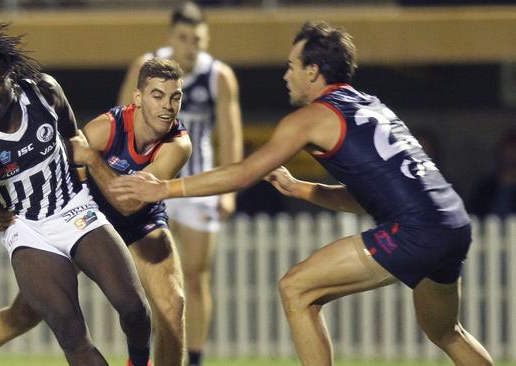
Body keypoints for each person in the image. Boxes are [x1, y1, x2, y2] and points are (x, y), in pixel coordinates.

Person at [111, 21, 494, 366]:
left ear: (313, 71)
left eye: (292, 65)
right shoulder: (374, 107)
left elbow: (243, 173)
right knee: (446, 333)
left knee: (296, 289)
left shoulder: (312, 118)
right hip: (453, 222)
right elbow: (370, 199)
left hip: (417, 231)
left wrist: (163, 188)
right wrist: (303, 189)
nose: (286, 74)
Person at [0, 58, 191, 366]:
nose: (167, 106)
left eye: (175, 97)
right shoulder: (106, 128)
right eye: (158, 96)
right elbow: (61, 157)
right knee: (25, 314)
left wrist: (93, 161)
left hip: (139, 221)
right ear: (138, 99)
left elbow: (130, 203)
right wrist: (1, 201)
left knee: (167, 306)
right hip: (83, 212)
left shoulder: (178, 144)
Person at [118, 3, 243, 365]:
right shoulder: (146, 67)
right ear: (171, 37)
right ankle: (146, 353)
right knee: (147, 279)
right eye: (184, 38)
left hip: (197, 188)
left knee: (195, 275)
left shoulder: (218, 75)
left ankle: (195, 358)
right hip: (150, 181)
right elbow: (122, 120)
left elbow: (231, 135)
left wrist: (229, 192)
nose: (192, 46)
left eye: (198, 39)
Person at [468, 129, 516, 218]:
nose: (510, 154)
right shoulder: (485, 187)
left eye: (513, 148)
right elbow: (472, 215)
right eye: (507, 148)